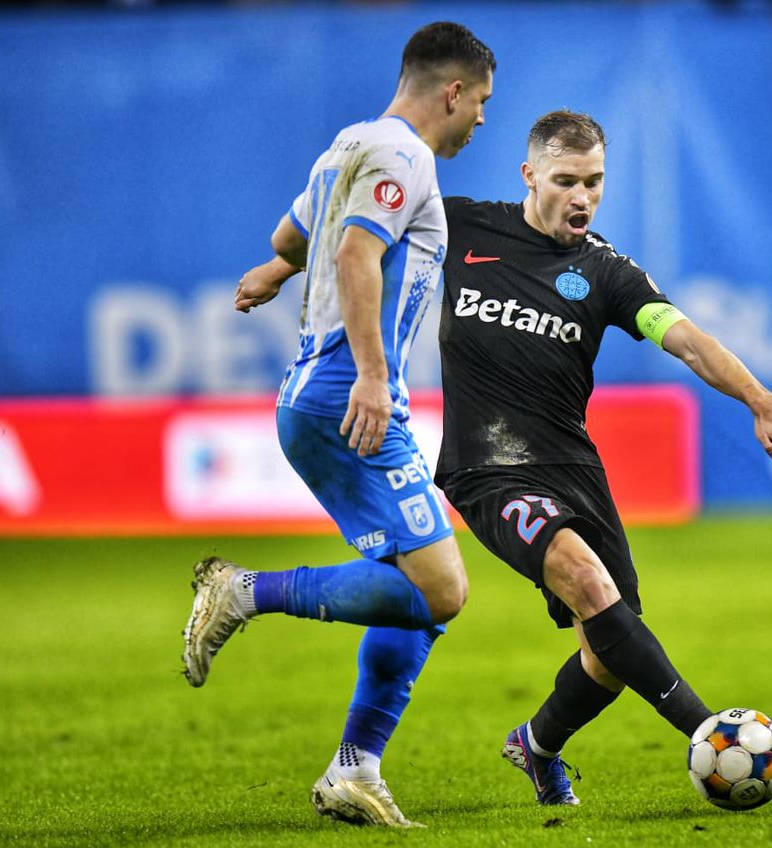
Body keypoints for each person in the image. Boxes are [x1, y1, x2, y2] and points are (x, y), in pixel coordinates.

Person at [434, 111, 772, 806]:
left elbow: (688, 340)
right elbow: (361, 231)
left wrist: (760, 400)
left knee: (609, 648)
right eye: (566, 181)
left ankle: (536, 744)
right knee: (589, 584)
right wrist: (281, 264)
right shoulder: (461, 227)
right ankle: (713, 738)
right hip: (485, 467)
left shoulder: (605, 270)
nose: (583, 197)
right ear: (529, 175)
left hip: (572, 468)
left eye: (595, 182)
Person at [180, 21, 495, 828]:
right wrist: (375, 377)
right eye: (481, 101)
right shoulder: (405, 156)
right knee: (443, 589)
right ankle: (244, 592)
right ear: (453, 91)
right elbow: (355, 253)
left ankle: (355, 768)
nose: (481, 119)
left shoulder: (347, 146)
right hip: (345, 396)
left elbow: (293, 236)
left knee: (416, 592)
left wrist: (277, 270)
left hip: (318, 394)